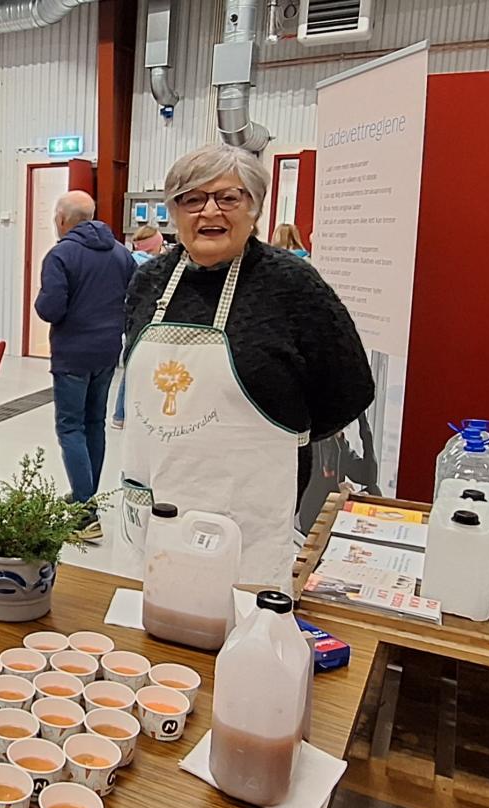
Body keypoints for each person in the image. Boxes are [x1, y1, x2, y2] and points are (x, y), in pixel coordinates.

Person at [122, 144, 373, 585]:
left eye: (228, 197)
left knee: (242, 612)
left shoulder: (291, 284)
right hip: (158, 494)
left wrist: (280, 433)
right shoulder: (149, 280)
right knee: (158, 605)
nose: (209, 211)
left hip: (248, 506)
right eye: (192, 199)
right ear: (174, 212)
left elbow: (349, 387)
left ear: (253, 207)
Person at [34, 190, 133, 541]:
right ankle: (84, 496)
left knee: (71, 427)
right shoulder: (121, 253)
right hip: (107, 352)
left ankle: (85, 514)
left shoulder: (60, 255)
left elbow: (50, 309)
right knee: (95, 424)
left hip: (73, 354)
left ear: (62, 220)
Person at [112, 226, 167, 429]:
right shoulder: (154, 268)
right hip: (148, 323)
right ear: (155, 245)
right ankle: (124, 414)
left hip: (130, 321)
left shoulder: (126, 261)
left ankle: (120, 415)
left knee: (131, 367)